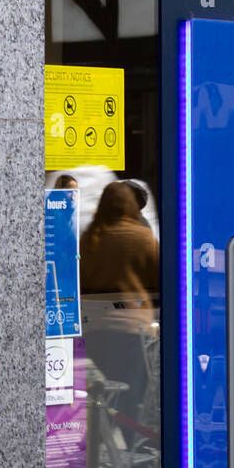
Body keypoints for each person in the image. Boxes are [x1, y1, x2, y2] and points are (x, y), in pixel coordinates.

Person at [80, 182, 159, 438]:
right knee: (131, 393)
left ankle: (99, 449)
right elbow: (159, 280)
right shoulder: (141, 237)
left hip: (94, 331)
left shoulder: (89, 237)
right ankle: (126, 457)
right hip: (130, 329)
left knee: (107, 390)